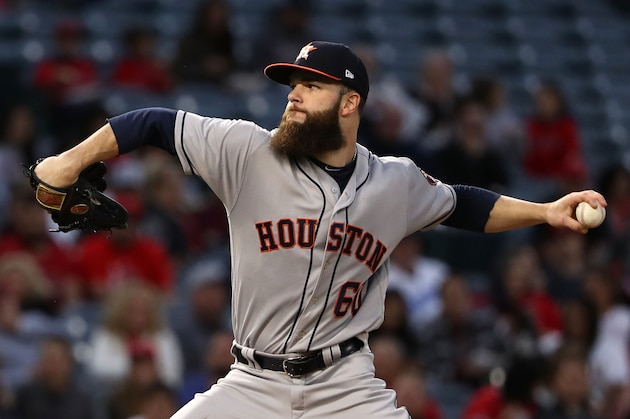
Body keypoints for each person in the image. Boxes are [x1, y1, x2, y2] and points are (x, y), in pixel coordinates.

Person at [30, 41, 606, 418]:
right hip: (252, 382)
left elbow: (464, 205)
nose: (294, 95)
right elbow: (150, 122)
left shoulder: (395, 182)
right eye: (292, 85)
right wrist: (67, 162)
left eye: (311, 85)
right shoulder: (246, 152)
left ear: (350, 101)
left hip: (347, 386)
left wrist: (545, 211)